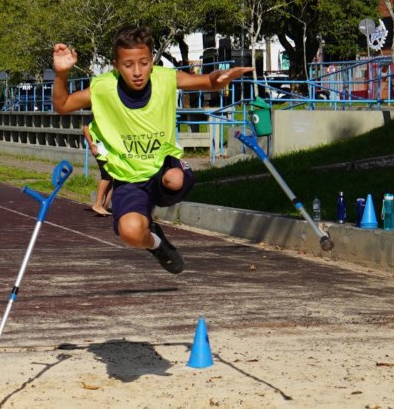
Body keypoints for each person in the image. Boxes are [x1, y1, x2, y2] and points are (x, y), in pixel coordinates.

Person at [52, 26, 252, 273]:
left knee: (175, 178)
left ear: (152, 61)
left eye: (144, 63)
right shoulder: (103, 87)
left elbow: (208, 82)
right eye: (128, 65)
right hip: (129, 177)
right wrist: (61, 74)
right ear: (116, 65)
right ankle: (157, 243)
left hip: (163, 167)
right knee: (131, 233)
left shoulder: (165, 78)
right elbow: (62, 105)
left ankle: (158, 202)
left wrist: (220, 77)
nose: (137, 72)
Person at [82, 120, 113, 216]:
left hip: (110, 150)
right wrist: (91, 145)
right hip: (101, 149)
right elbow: (85, 128)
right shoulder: (97, 113)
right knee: (106, 176)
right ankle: (97, 203)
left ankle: (105, 207)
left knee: (111, 177)